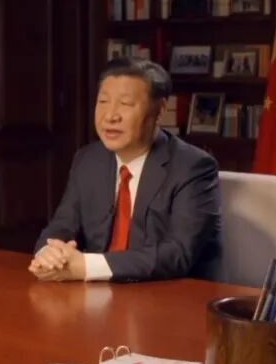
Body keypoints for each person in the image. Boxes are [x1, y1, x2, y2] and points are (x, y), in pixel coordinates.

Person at [30, 57, 221, 282]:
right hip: (96, 293)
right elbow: (62, 226)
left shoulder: (193, 167)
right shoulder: (88, 160)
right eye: (103, 101)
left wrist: (88, 266)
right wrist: (49, 253)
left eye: (126, 104)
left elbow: (177, 253)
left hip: (164, 293)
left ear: (160, 111)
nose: (110, 116)